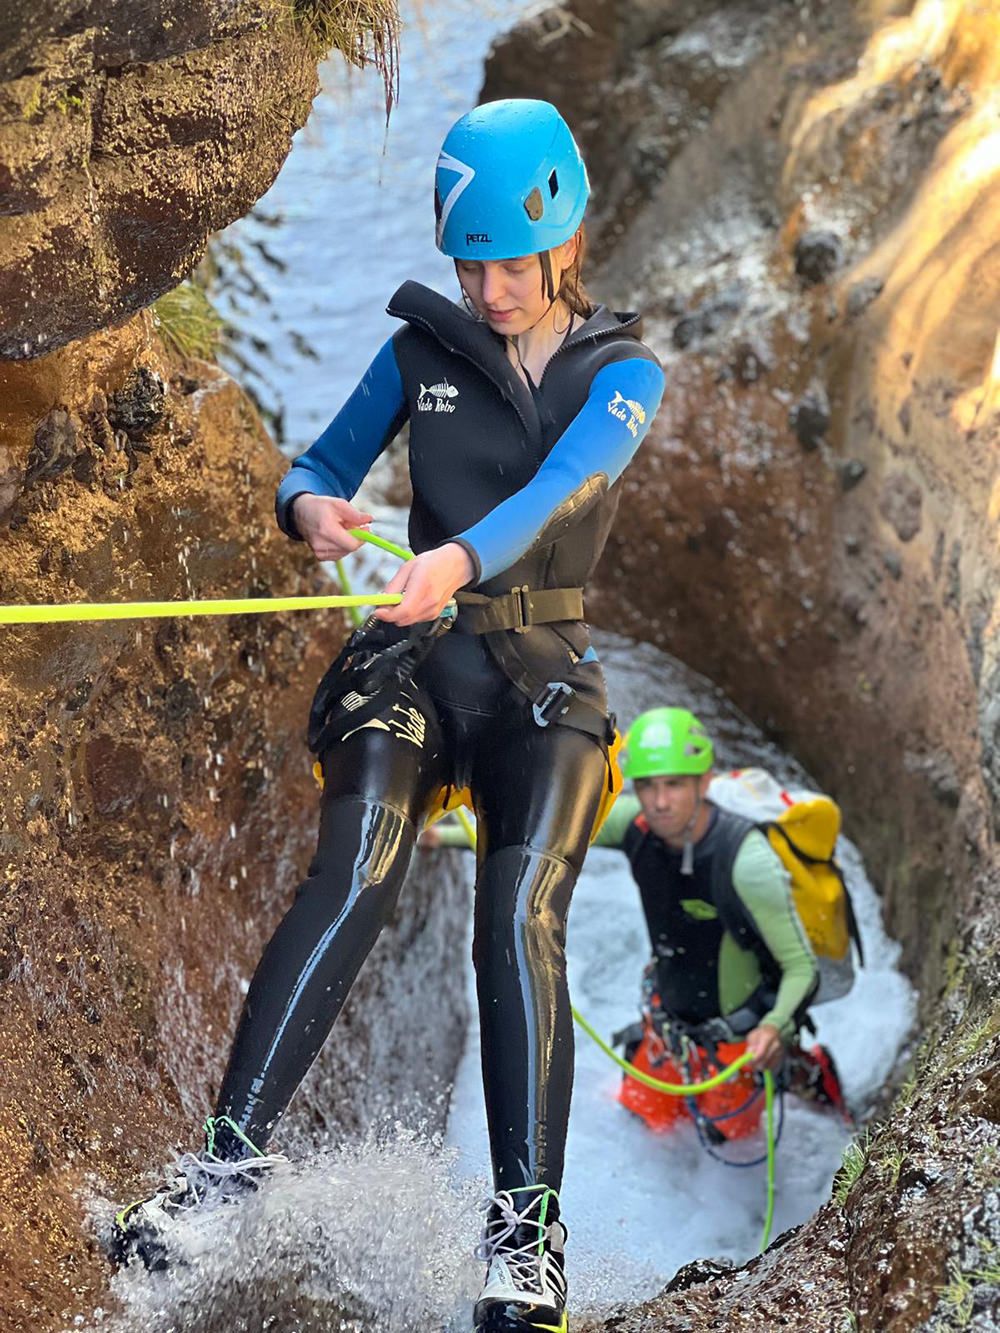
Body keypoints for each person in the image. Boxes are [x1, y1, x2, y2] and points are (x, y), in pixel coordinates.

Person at [113, 99, 665, 1333]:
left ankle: (524, 1235)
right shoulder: (423, 348)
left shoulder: (623, 375)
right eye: (472, 262)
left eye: (513, 263)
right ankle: (224, 1174)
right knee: (351, 869)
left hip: (543, 682)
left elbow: (567, 485)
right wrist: (310, 510)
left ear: (563, 242)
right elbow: (316, 466)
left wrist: (460, 556)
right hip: (416, 663)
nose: (491, 285)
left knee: (517, 912)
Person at [427, 704, 847, 1115]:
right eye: (648, 786)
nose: (661, 802)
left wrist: (773, 1028)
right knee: (646, 1120)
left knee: (730, 1141)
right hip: (669, 1024)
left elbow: (801, 968)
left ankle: (805, 1072)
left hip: (737, 1037)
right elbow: (547, 833)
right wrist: (442, 837)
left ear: (704, 784)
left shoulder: (747, 862)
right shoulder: (639, 827)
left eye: (675, 785)